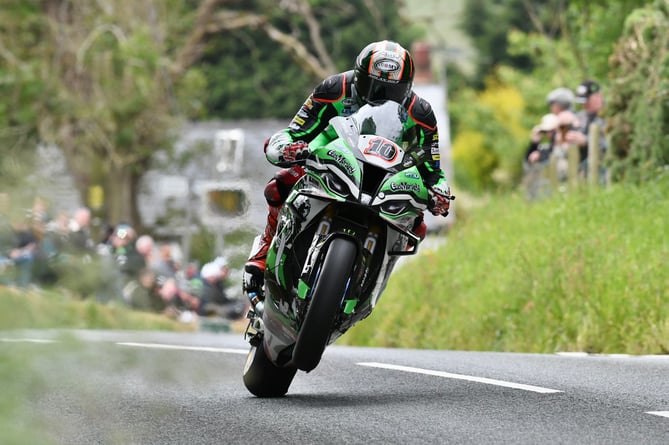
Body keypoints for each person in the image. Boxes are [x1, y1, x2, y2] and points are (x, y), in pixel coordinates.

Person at [242, 40, 452, 308]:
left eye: (391, 91)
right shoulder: (334, 89)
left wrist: (439, 193)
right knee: (283, 182)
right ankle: (264, 251)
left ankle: (375, 280)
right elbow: (296, 130)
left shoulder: (420, 114)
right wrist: (287, 147)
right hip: (335, 162)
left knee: (417, 222)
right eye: (373, 87)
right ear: (359, 78)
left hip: (386, 180)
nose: (380, 96)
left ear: (407, 88)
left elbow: (432, 170)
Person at [573, 80, 607, 179]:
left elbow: (610, 144)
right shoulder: (580, 117)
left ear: (599, 96)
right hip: (583, 171)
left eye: (588, 101)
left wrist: (586, 141)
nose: (584, 105)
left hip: (603, 170)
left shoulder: (610, 115)